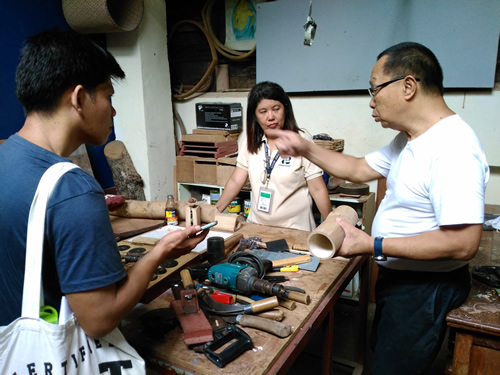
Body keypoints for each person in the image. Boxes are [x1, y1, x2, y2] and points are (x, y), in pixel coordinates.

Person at [270, 42, 489, 374]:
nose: (371, 102)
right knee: (384, 357)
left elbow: (463, 243)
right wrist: (304, 146)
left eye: (375, 89)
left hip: (423, 290)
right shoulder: (410, 139)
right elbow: (357, 168)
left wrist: (371, 244)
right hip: (401, 280)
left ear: (408, 86)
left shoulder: (453, 148)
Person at [0, 28, 209, 338]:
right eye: (109, 96)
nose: (113, 110)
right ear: (79, 98)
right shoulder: (73, 191)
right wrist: (158, 253)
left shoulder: (6, 156)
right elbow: (99, 320)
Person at [215, 81, 331, 231]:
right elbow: (236, 181)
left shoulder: (300, 141)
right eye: (262, 112)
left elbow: (317, 189)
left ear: (285, 109)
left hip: (295, 230)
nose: (270, 117)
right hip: (256, 226)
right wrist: (215, 212)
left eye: (276, 109)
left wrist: (331, 225)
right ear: (255, 116)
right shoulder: (251, 141)